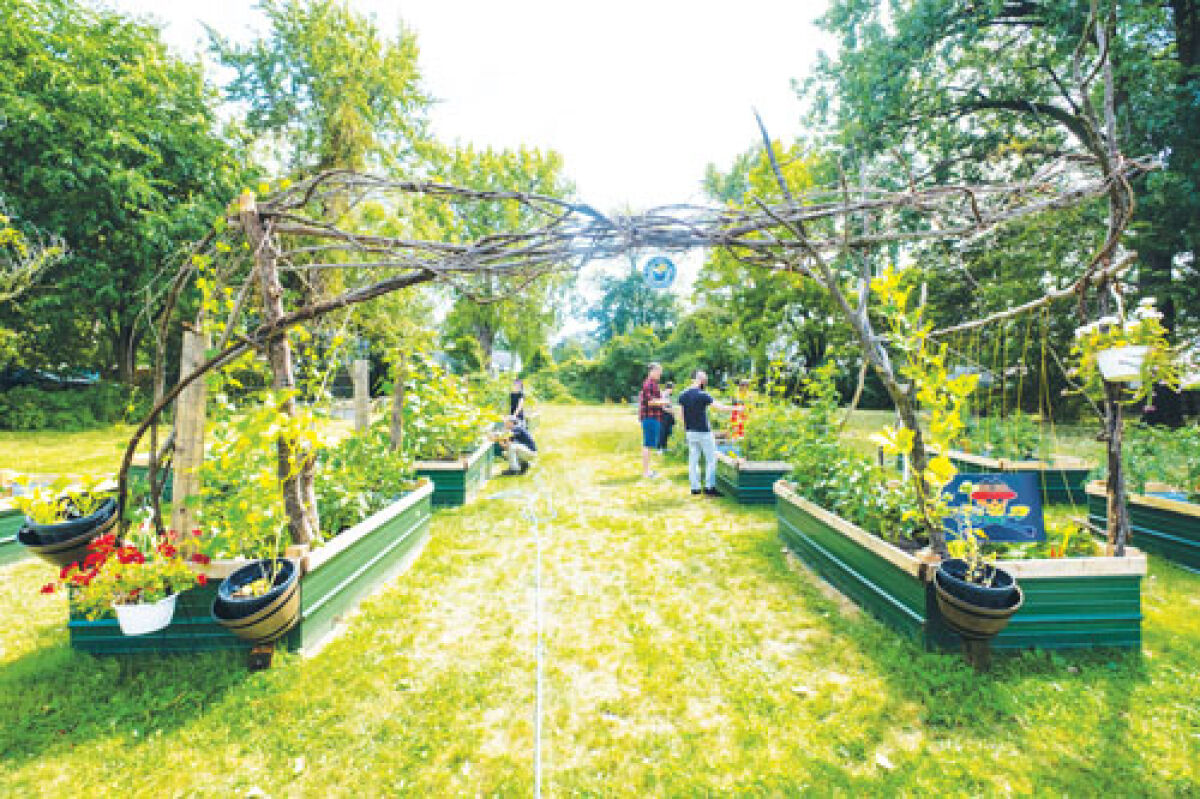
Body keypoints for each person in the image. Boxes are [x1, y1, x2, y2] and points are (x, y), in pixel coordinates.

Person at [677, 370, 735, 496]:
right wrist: (735, 409)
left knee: (693, 460)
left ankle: (695, 488)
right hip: (704, 432)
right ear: (701, 380)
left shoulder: (683, 394)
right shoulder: (703, 395)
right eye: (705, 380)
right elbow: (719, 407)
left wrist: (687, 429)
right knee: (711, 459)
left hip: (690, 432)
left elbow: (681, 416)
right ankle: (709, 488)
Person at [637, 362, 669, 478]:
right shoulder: (649, 384)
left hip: (652, 417)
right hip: (650, 418)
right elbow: (650, 402)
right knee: (648, 444)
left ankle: (648, 470)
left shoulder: (653, 384)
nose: (660, 374)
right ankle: (646, 472)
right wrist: (664, 402)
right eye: (659, 372)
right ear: (653, 371)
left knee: (649, 444)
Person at [657, 381, 676, 451]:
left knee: (667, 431)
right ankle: (660, 448)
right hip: (664, 415)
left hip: (668, 416)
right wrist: (672, 411)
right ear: (669, 388)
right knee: (663, 431)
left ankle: (664, 447)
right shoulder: (664, 395)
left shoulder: (668, 395)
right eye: (672, 388)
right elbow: (663, 407)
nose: (673, 390)